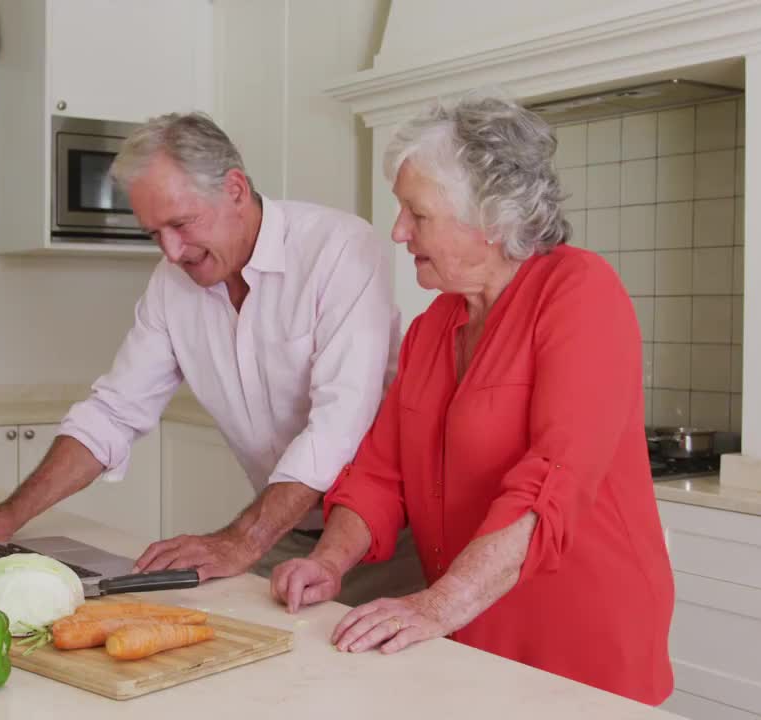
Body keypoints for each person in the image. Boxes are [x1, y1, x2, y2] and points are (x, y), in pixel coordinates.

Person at [269, 95, 675, 705]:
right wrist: (330, 562)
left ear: (488, 217)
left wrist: (437, 605)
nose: (399, 230)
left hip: (578, 642)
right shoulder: (437, 324)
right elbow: (382, 474)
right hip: (469, 631)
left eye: (416, 212)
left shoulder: (580, 293)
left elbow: (551, 485)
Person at [0, 112, 425, 602]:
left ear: (236, 190)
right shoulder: (171, 283)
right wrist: (10, 515)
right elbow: (114, 412)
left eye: (181, 224)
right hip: (288, 532)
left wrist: (241, 541)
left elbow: (338, 427)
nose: (172, 251)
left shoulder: (338, 248)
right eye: (154, 233)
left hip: (390, 539)